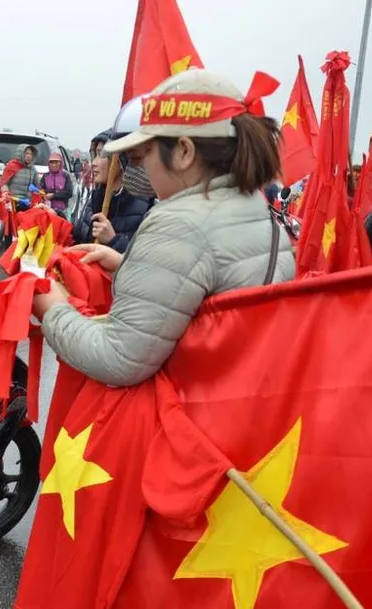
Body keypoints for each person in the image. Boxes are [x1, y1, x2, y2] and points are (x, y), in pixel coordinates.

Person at [33, 68, 294, 387]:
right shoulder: (258, 211)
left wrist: (52, 308)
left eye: (143, 156)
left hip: (186, 404)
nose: (141, 167)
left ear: (183, 152)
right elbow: (203, 289)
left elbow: (118, 358)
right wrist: (125, 264)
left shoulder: (179, 223)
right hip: (241, 394)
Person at [73, 128, 153, 253]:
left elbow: (144, 257)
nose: (94, 163)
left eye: (101, 155)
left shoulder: (144, 206)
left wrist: (113, 240)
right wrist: (55, 218)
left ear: (120, 161)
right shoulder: (96, 197)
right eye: (94, 155)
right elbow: (77, 237)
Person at [39, 153, 74, 217]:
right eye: (51, 162)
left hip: (62, 210)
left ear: (60, 163)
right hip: (47, 209)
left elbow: (69, 193)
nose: (54, 165)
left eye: (56, 162)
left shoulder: (65, 176)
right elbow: (40, 189)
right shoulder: (45, 176)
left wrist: (53, 195)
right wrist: (44, 194)